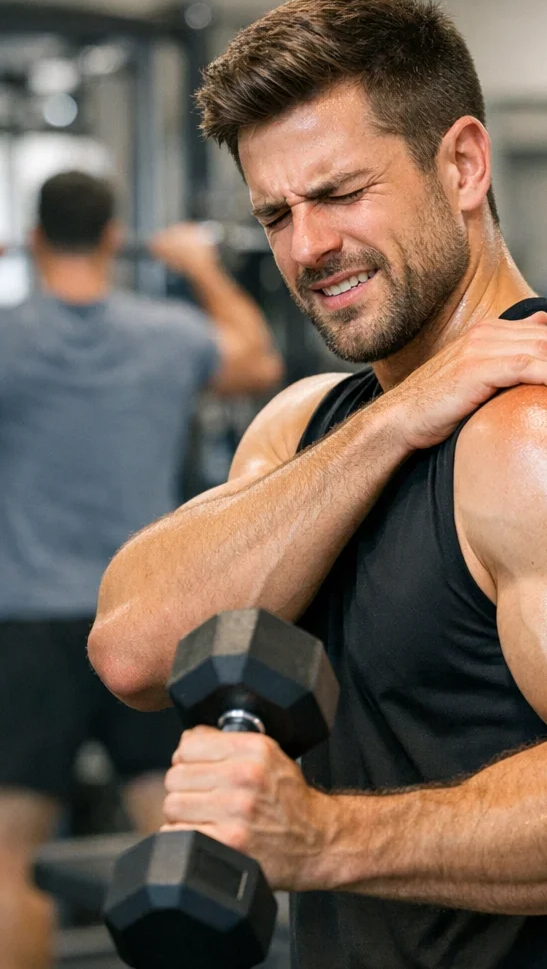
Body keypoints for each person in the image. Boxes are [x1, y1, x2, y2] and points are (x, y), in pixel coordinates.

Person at [88, 0, 547, 969]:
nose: (309, 246)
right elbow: (134, 650)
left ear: (464, 164)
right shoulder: (314, 426)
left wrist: (322, 838)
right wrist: (397, 415)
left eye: (343, 192)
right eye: (277, 213)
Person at [0, 170, 284, 969]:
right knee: (176, 853)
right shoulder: (167, 334)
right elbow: (258, 360)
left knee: (9, 863)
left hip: (26, 625)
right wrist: (196, 265)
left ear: (34, 236)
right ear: (112, 231)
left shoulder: (8, 335)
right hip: (142, 619)